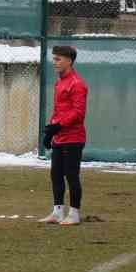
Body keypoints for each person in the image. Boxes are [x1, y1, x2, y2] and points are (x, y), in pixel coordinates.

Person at [40, 44, 88, 226]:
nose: (55, 62)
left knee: (71, 175)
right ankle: (57, 212)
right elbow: (58, 110)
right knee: (56, 174)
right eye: (54, 58)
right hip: (60, 137)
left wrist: (58, 125)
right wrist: (51, 131)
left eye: (58, 59)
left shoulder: (77, 84)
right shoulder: (60, 82)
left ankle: (74, 214)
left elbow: (78, 113)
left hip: (74, 138)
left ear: (69, 61)